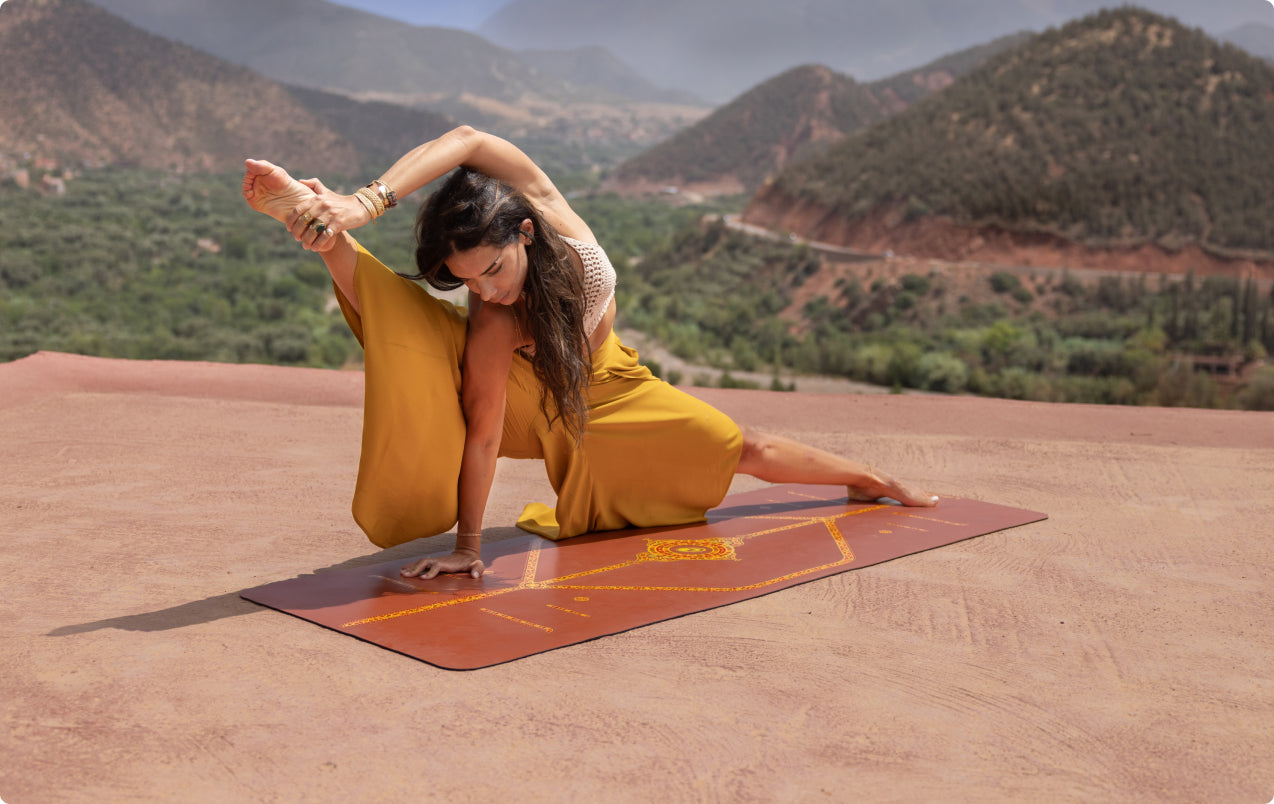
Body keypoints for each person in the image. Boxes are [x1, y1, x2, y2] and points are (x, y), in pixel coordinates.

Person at [241, 126, 937, 580]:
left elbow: (467, 139)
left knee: (738, 444)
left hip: (610, 386)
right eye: (469, 280)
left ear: (523, 232)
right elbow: (481, 438)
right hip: (531, 398)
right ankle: (323, 235)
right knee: (419, 337)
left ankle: (872, 478)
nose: (486, 289)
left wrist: (370, 198)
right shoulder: (492, 322)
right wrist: (468, 549)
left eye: (493, 269)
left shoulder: (551, 216)